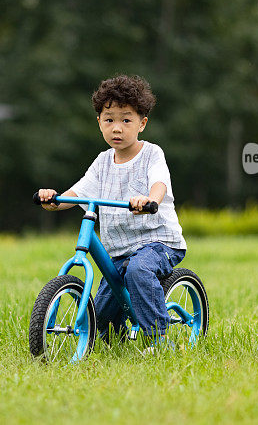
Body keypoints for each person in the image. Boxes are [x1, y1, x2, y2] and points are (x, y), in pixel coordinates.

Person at [37, 74, 187, 349]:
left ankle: (158, 338)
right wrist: (54, 199)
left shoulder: (151, 154)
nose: (117, 128)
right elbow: (79, 192)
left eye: (126, 120)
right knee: (104, 315)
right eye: (109, 120)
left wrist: (149, 200)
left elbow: (159, 183)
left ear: (142, 123)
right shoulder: (102, 162)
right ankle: (114, 342)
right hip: (119, 251)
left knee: (139, 271)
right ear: (99, 123)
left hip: (158, 242)